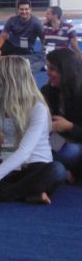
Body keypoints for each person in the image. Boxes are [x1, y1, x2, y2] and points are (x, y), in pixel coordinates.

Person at [0, 56, 66, 204]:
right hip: (7, 164)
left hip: (35, 166)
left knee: (57, 170)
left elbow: (24, 152)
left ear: (7, 79)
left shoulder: (38, 108)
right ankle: (28, 195)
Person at [41, 48, 82, 181]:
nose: (47, 72)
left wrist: (69, 126)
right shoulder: (47, 90)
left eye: (52, 69)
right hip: (56, 141)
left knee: (71, 151)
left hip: (75, 143)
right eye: (47, 67)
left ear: (66, 70)